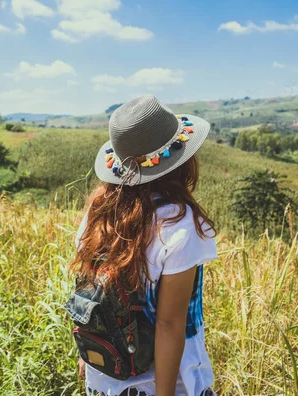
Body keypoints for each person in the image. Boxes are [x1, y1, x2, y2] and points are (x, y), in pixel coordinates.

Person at [70, 95, 218, 396]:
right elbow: (169, 325)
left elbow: (89, 292)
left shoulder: (98, 214)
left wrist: (85, 354)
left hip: (106, 377)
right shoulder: (180, 225)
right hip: (165, 384)